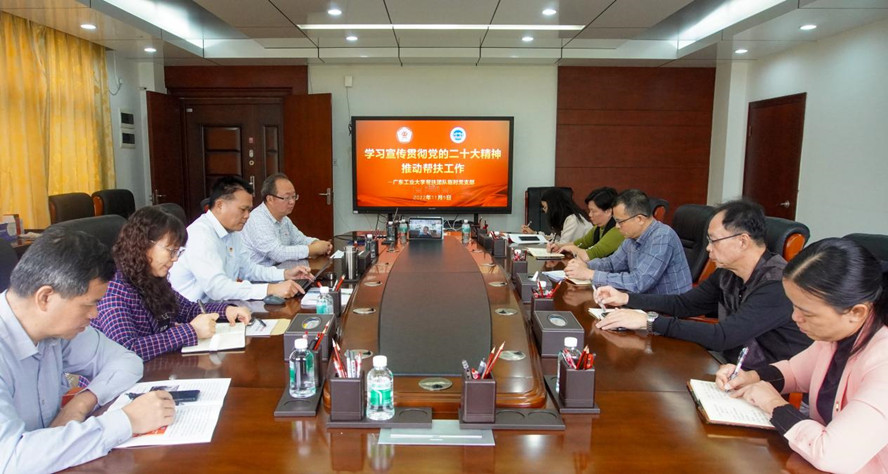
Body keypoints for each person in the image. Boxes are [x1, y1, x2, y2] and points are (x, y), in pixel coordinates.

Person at [0, 229, 175, 472]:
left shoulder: (55, 328)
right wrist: (127, 421)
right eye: (89, 305)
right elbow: (10, 459)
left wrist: (81, 402)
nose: (95, 315)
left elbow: (127, 360)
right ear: (45, 297)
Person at [716, 238, 888, 473]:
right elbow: (795, 372)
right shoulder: (839, 335)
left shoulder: (882, 361)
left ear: (856, 312)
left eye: (807, 313)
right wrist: (749, 377)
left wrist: (773, 403)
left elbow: (833, 455)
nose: (795, 317)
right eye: (794, 306)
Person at [594, 200, 812, 366]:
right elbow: (684, 304)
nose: (708, 248)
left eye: (714, 241)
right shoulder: (728, 273)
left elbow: (724, 336)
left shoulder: (777, 285)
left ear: (742, 241)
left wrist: (649, 321)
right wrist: (626, 298)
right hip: (732, 367)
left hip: (769, 381)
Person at [93, 207, 252, 361]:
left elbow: (187, 310)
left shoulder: (151, 276)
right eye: (171, 250)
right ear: (143, 244)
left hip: (159, 367)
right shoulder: (113, 289)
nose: (175, 258)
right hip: (128, 376)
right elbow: (127, 349)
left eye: (178, 251)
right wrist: (191, 331)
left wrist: (227, 310)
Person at [169, 176, 312, 302]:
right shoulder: (200, 235)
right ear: (220, 205)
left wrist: (285, 274)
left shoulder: (232, 231)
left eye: (249, 210)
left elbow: (248, 269)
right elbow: (217, 288)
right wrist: (270, 289)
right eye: (243, 209)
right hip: (193, 315)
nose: (247, 215)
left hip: (219, 307)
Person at [564, 189, 691, 295]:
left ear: (639, 219)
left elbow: (638, 282)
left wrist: (590, 274)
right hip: (643, 301)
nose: (617, 226)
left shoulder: (662, 237)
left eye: (620, 222)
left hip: (667, 309)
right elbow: (612, 264)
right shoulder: (631, 238)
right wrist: (586, 265)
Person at [242, 173, 333, 265]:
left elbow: (300, 240)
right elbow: (277, 253)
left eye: (293, 196)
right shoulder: (257, 220)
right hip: (261, 273)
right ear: (270, 199)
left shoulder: (284, 219)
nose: (292, 202)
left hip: (281, 269)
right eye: (287, 197)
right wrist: (312, 249)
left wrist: (318, 243)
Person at [549, 186, 624, 262]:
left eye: (593, 211)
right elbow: (582, 243)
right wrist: (559, 246)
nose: (590, 215)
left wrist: (573, 249)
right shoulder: (597, 228)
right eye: (589, 210)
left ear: (608, 211)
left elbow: (593, 254)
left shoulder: (618, 230)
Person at [521, 187, 593, 244]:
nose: (545, 211)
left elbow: (562, 245)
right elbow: (553, 238)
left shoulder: (573, 220)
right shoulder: (564, 219)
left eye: (545, 207)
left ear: (554, 208)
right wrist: (534, 233)